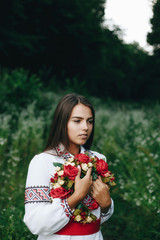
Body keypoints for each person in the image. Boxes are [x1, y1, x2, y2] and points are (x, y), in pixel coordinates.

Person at [23, 93, 114, 240]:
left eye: (90, 121)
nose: (85, 127)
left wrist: (106, 205)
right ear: (62, 122)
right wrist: (76, 196)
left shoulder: (98, 159)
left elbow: (99, 218)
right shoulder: (42, 162)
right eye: (77, 121)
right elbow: (35, 223)